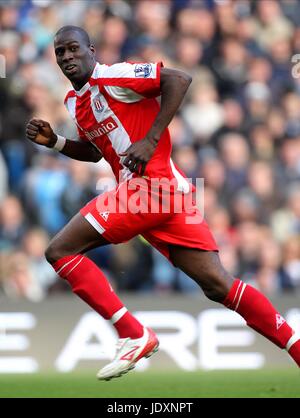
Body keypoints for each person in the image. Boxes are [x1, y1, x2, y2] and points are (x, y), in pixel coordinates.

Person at [26, 26, 300, 380]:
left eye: (73, 49)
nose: (66, 57)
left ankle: (132, 333)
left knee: (59, 251)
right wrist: (57, 143)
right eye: (60, 52)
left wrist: (152, 139)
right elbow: (98, 151)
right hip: (162, 194)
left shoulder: (115, 75)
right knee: (219, 284)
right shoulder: (73, 102)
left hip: (150, 188)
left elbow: (179, 79)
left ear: (91, 50)